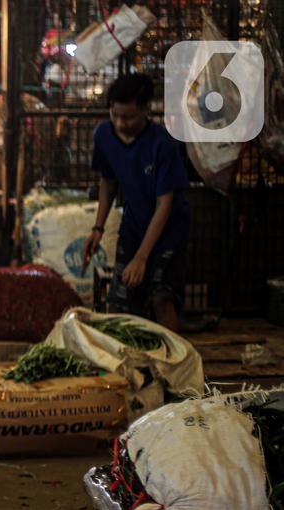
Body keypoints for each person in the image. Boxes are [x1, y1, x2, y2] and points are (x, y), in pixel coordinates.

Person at [83, 73, 189, 332]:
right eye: (115, 115)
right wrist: (98, 228)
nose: (120, 123)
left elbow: (165, 204)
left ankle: (172, 365)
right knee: (121, 299)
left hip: (168, 230)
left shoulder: (162, 144)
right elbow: (107, 183)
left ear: (145, 110)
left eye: (128, 117)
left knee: (161, 297)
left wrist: (142, 257)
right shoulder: (104, 135)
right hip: (133, 224)